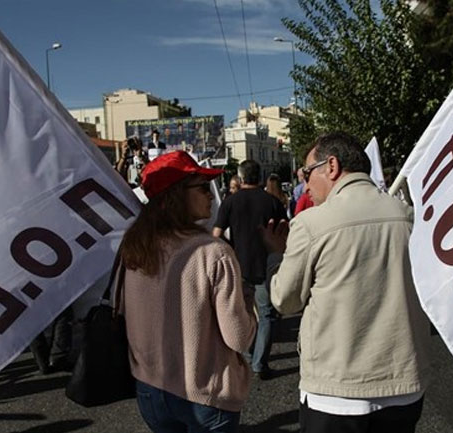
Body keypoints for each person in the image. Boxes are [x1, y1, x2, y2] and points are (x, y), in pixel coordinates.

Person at [262, 132, 431, 433]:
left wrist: (277, 256)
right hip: (403, 382)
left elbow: (284, 300)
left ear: (332, 166)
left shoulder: (312, 223)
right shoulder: (408, 217)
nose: (305, 183)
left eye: (306, 172)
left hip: (336, 389)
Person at [119, 151, 256, 432]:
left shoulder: (134, 247)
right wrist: (250, 304)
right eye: (203, 188)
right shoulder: (213, 253)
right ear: (176, 195)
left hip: (150, 388)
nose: (211, 195)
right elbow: (239, 337)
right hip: (204, 392)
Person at [213, 160, 287, 379]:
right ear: (259, 177)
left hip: (239, 266)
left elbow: (216, 235)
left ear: (241, 177)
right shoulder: (272, 202)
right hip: (267, 265)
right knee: (266, 315)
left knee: (242, 312)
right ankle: (260, 362)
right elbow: (285, 231)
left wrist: (230, 251)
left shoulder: (230, 202)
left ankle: (247, 353)